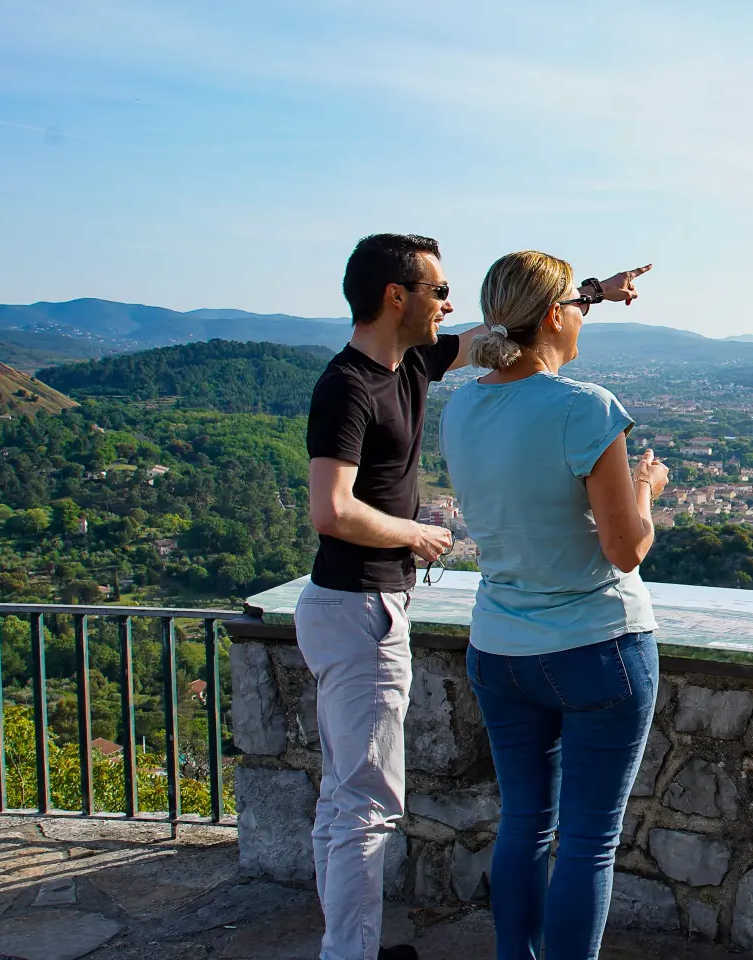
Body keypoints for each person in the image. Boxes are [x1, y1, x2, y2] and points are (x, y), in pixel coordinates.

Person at [440, 251, 664, 960]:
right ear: (553, 317)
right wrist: (646, 488)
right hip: (598, 645)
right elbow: (626, 549)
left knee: (524, 824)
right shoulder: (585, 408)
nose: (583, 317)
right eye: (578, 305)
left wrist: (593, 289)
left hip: (500, 648)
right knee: (588, 841)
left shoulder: (464, 403)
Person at [300, 233, 480, 960]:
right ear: (395, 297)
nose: (448, 302)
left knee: (341, 800)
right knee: (368, 807)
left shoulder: (407, 366)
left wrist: (588, 293)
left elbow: (493, 338)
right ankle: (350, 955)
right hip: (360, 610)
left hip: (347, 607)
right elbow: (331, 509)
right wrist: (411, 532)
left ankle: (346, 948)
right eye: (438, 290)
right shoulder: (346, 386)